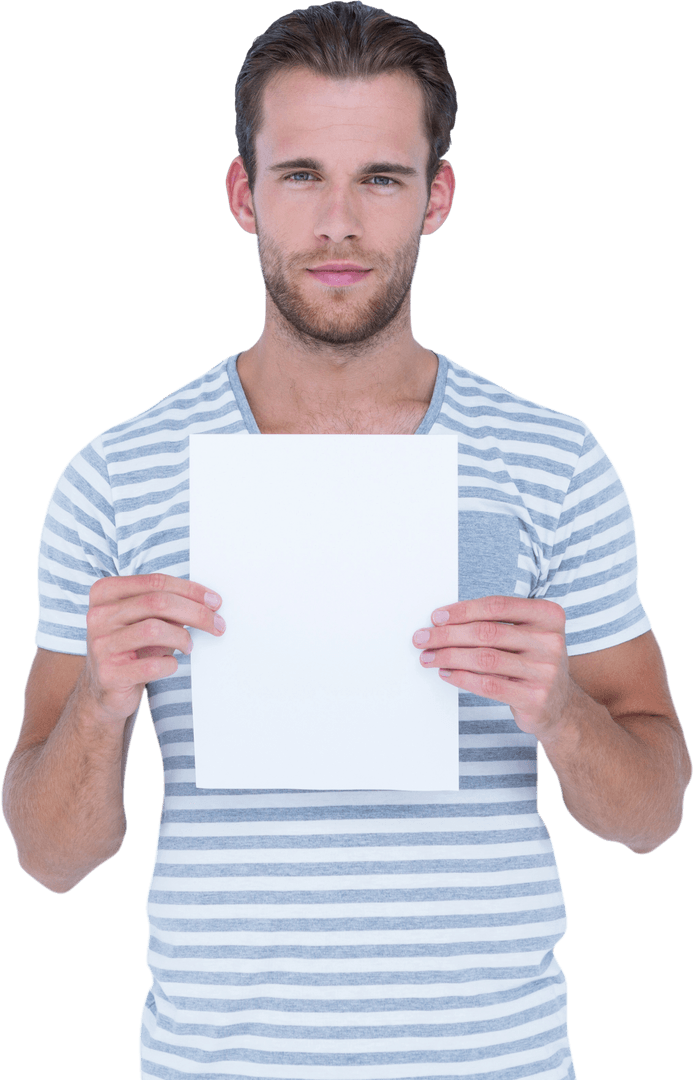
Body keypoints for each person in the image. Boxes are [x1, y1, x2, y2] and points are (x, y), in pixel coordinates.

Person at [2, 3, 690, 1078]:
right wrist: (102, 703)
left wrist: (556, 709)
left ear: (436, 198)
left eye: (379, 178)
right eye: (298, 176)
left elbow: (651, 817)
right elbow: (48, 859)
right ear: (243, 196)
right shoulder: (117, 477)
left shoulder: (552, 462)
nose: (336, 223)